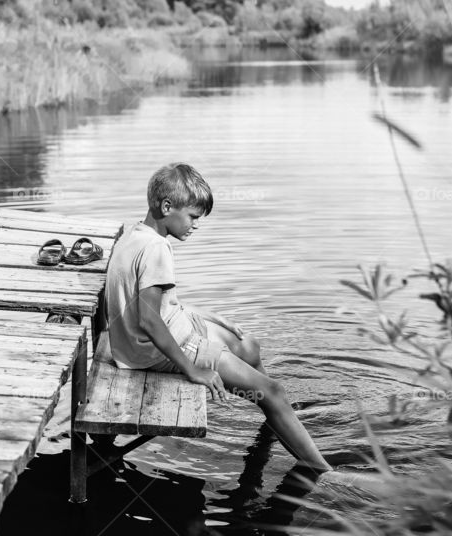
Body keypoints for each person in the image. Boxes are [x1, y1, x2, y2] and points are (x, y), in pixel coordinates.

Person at [105, 162, 331, 471]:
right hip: (162, 352)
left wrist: (212, 317)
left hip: (159, 335)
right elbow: (148, 320)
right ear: (167, 206)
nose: (195, 225)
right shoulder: (157, 249)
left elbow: (160, 305)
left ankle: (276, 415)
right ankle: (323, 471)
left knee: (248, 345)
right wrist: (192, 370)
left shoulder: (134, 234)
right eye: (193, 217)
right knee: (274, 392)